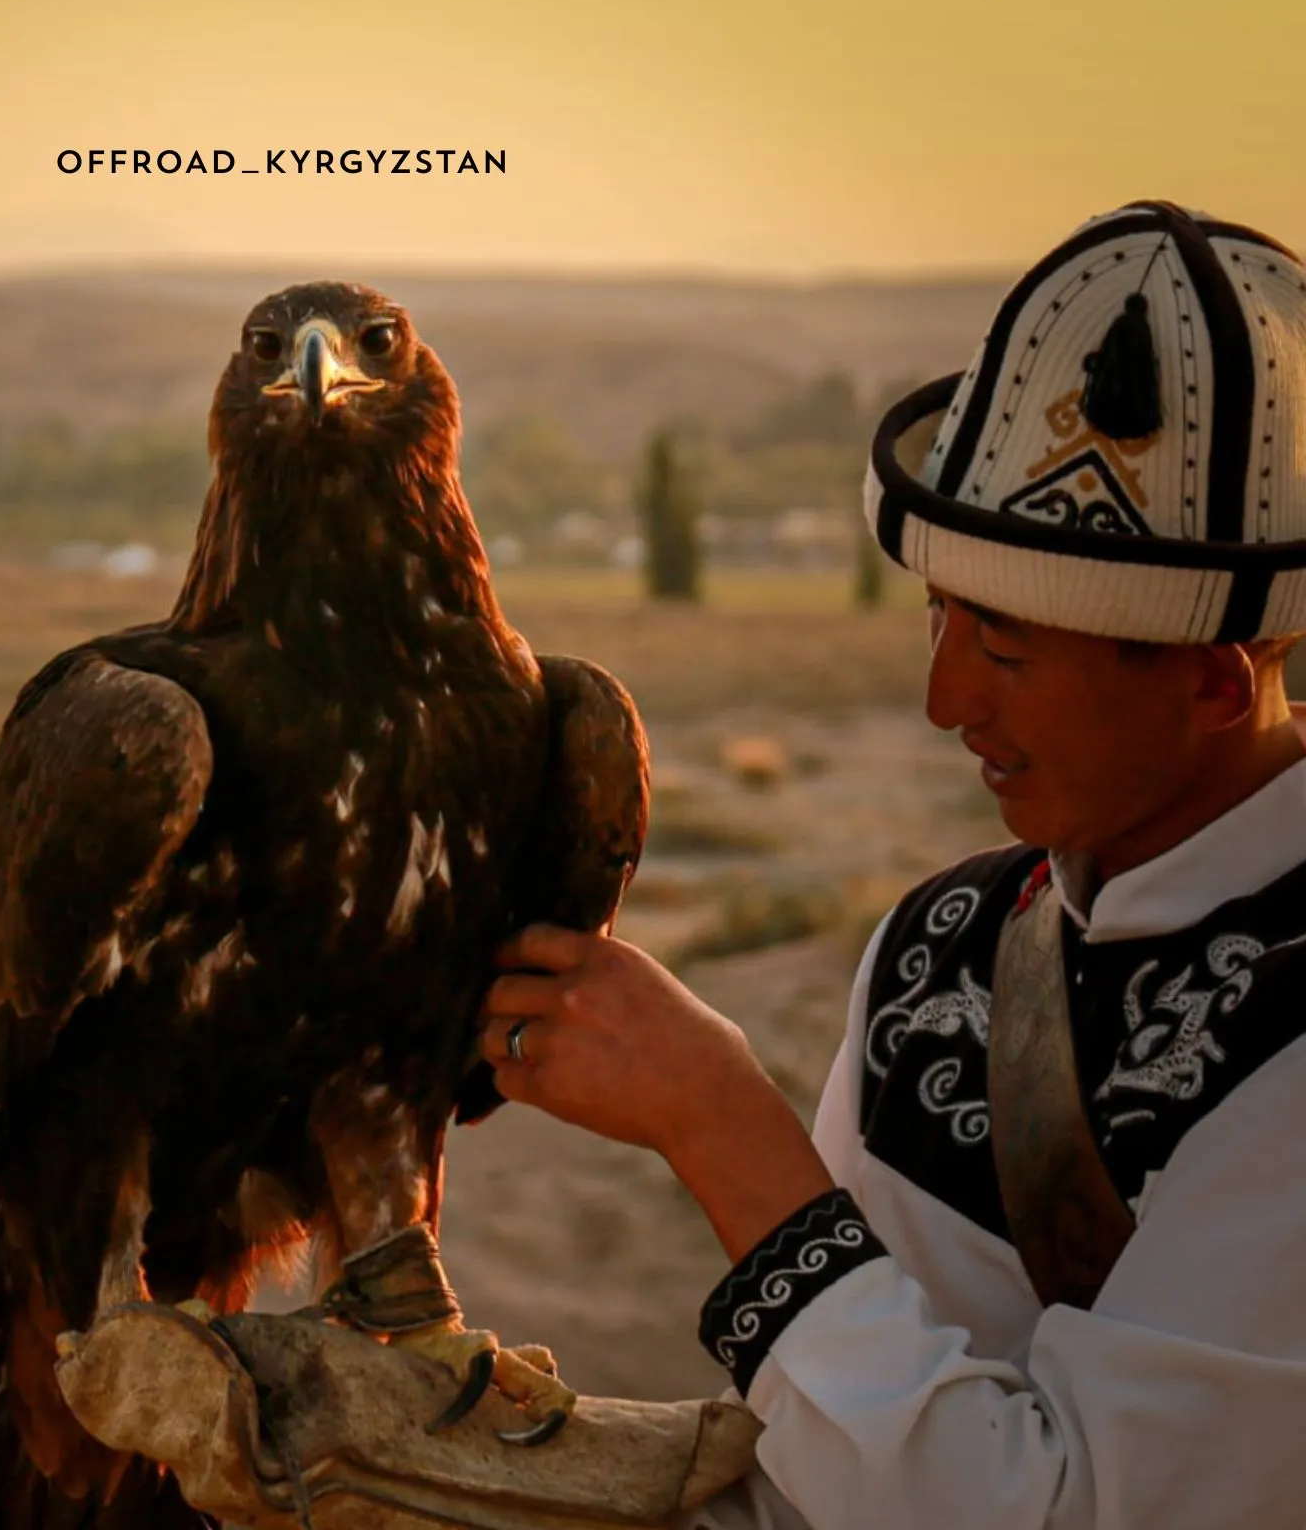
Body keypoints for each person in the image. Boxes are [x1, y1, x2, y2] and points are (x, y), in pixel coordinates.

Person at [480, 201, 1306, 1528]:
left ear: (1215, 685)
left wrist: (717, 1123)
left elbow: (1052, 1514)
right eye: (938, 618)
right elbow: (826, 1463)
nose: (942, 701)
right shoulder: (950, 942)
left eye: (1009, 649)